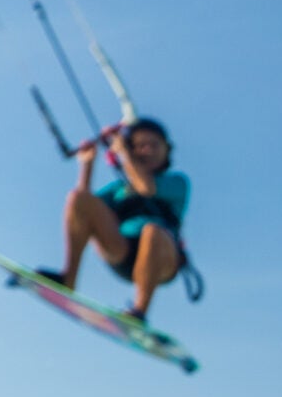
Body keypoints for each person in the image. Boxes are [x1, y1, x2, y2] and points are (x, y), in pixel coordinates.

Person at [50, 118, 190, 322]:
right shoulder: (119, 189)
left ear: (167, 150)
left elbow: (146, 187)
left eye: (154, 145)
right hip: (121, 252)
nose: (148, 150)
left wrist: (123, 152)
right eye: (141, 145)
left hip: (161, 259)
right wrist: (87, 165)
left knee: (152, 231)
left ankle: (139, 311)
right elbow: (82, 210)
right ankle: (68, 278)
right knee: (77, 198)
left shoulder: (177, 182)